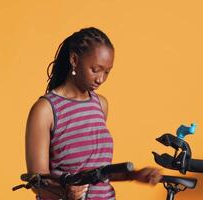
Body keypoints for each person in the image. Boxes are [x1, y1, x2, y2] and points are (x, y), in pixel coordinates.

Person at [25, 27, 162, 200]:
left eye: (107, 72)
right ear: (74, 60)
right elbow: (36, 181)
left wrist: (134, 175)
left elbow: (98, 172)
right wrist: (64, 193)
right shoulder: (45, 110)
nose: (101, 79)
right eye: (95, 69)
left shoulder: (100, 104)